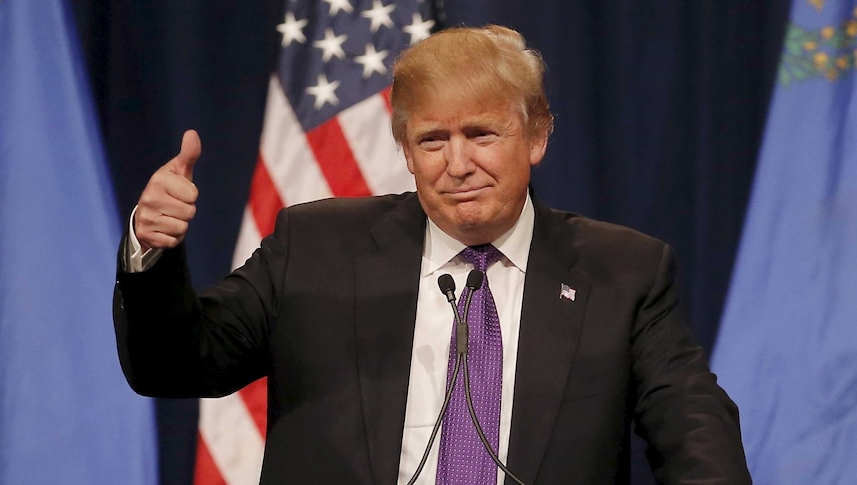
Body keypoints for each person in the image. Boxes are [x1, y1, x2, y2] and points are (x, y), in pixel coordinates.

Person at [114, 25, 751, 484]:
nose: (457, 165)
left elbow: (692, 422)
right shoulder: (316, 246)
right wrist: (152, 249)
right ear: (406, 151)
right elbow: (176, 364)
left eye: (481, 134)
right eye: (432, 140)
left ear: (537, 136)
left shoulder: (623, 271)